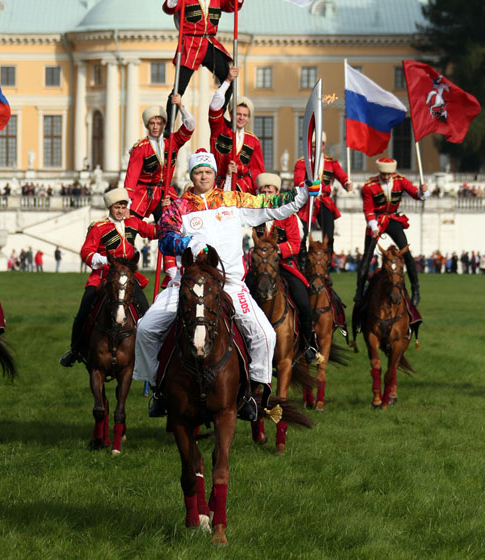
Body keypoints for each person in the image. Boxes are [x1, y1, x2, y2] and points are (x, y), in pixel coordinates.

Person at [132, 149, 314, 420]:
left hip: (230, 285)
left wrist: (303, 192)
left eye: (207, 171)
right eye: (198, 172)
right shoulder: (179, 206)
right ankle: (158, 389)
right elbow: (166, 235)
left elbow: (274, 203)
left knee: (267, 335)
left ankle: (253, 393)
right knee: (145, 328)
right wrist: (186, 242)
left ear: (214, 174)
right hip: (190, 284)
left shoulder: (233, 199)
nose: (203, 176)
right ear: (191, 175)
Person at [59, 188, 157, 367]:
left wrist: (166, 216)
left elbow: (154, 232)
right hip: (103, 276)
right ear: (110, 208)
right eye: (116, 207)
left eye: (123, 206)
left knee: (146, 313)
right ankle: (75, 350)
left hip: (127, 278)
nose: (120, 211)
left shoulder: (133, 222)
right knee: (83, 313)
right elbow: (86, 251)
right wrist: (104, 260)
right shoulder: (99, 227)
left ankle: (150, 351)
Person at [249, 173, 321, 363]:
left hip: (283, 266)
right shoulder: (253, 214)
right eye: (263, 190)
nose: (266, 192)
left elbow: (295, 244)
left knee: (304, 303)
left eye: (269, 190)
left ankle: (308, 344)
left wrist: (272, 251)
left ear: (277, 192)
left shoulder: (288, 215)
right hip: (258, 267)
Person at [162, 0, 243, 123]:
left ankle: (220, 114)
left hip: (210, 45)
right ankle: (169, 124)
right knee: (178, 89)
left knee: (229, 79)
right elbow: (168, 8)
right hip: (190, 46)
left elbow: (234, 6)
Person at [354, 157, 429, 306]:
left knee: (406, 253)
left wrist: (422, 192)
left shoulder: (400, 180)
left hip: (393, 220)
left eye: (389, 174)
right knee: (367, 256)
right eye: (383, 175)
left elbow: (416, 194)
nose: (386, 177)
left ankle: (416, 289)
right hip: (376, 220)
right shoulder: (370, 186)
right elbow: (368, 209)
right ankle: (359, 291)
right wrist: (374, 228)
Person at [124, 94, 195, 221]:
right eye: (152, 123)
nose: (155, 127)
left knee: (170, 227)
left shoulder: (173, 141)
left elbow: (190, 126)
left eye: (159, 123)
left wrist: (180, 106)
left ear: (164, 125)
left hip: (165, 192)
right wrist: (127, 205)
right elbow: (131, 178)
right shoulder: (140, 148)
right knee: (130, 227)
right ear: (147, 125)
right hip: (143, 194)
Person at [293, 131, 353, 252]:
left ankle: (327, 262)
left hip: (325, 201)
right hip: (307, 201)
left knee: (329, 235)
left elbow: (342, 176)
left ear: (324, 145)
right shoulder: (302, 162)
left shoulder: (331, 162)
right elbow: (298, 182)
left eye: (319, 144)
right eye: (313, 145)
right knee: (302, 234)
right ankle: (302, 261)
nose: (316, 148)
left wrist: (347, 183)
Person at [209, 66, 265, 193]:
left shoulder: (253, 141)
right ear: (230, 114)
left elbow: (257, 171)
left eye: (245, 115)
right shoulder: (219, 128)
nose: (241, 118)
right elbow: (214, 106)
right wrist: (228, 81)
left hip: (243, 189)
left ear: (249, 118)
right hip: (219, 186)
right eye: (238, 114)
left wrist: (239, 168)